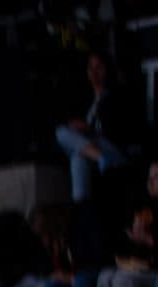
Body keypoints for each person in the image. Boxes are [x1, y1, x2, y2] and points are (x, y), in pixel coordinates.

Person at [55, 50, 138, 205]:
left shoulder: (118, 97)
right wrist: (78, 127)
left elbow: (121, 130)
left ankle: (102, 158)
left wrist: (90, 129)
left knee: (78, 151)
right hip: (92, 148)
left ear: (107, 69)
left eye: (98, 67)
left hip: (112, 147)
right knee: (71, 145)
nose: (94, 73)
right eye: (90, 68)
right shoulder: (85, 99)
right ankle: (82, 205)